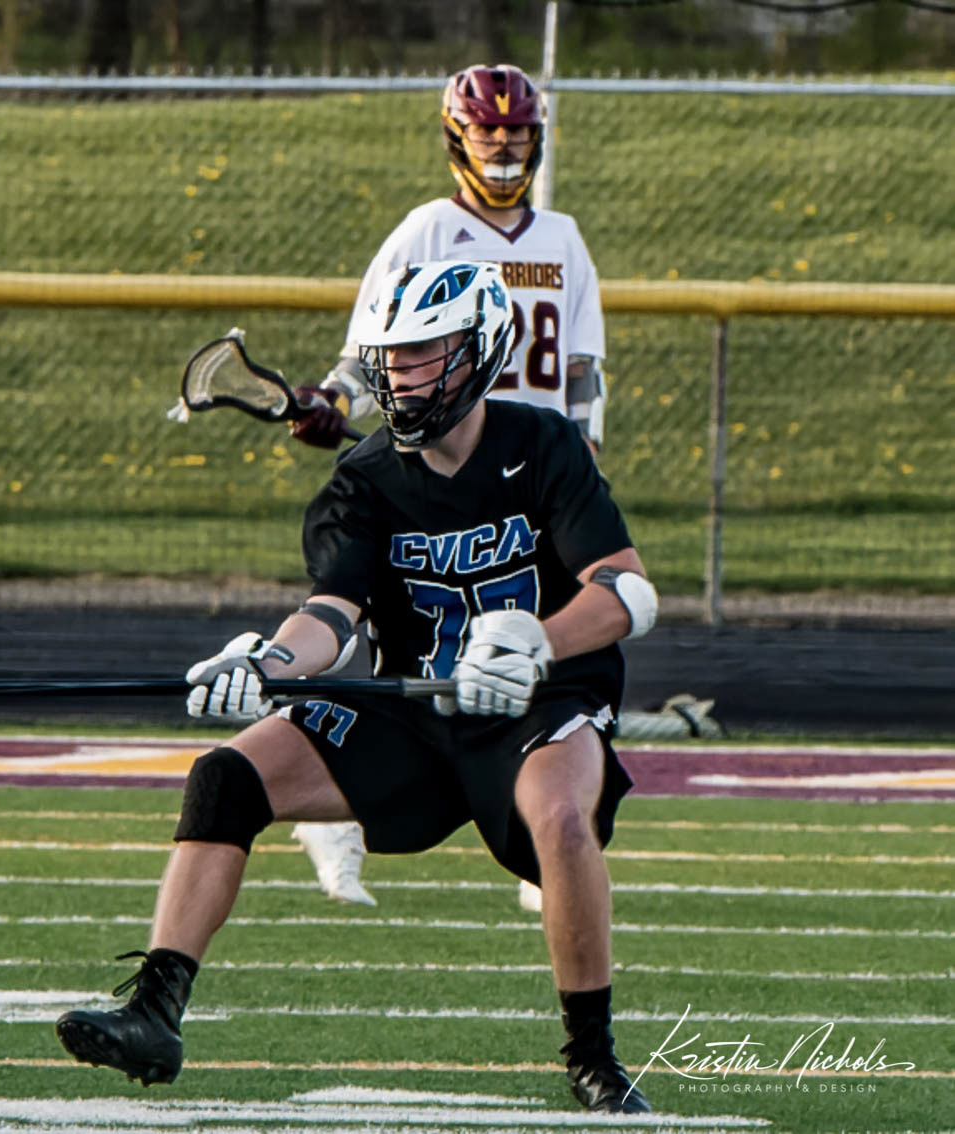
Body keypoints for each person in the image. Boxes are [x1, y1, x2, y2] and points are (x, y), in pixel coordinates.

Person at [55, 260, 655, 1116]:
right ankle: (155, 1011)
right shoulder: (365, 477)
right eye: (391, 357)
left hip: (537, 700)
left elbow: (628, 592)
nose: (401, 375)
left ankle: (593, 1057)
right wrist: (265, 663)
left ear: (480, 349)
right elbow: (330, 616)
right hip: (415, 706)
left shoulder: (542, 444)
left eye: (422, 353)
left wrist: (539, 642)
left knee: (560, 820)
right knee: (225, 776)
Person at [287, 63, 712, 908]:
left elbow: (583, 366)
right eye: (488, 130)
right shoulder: (427, 229)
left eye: (516, 131)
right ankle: (336, 796)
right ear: (459, 137)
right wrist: (333, 399)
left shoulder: (563, 237)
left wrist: (585, 454)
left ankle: (548, 833)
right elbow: (373, 349)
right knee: (400, 619)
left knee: (560, 639)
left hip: (536, 471)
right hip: (438, 456)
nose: (504, 145)